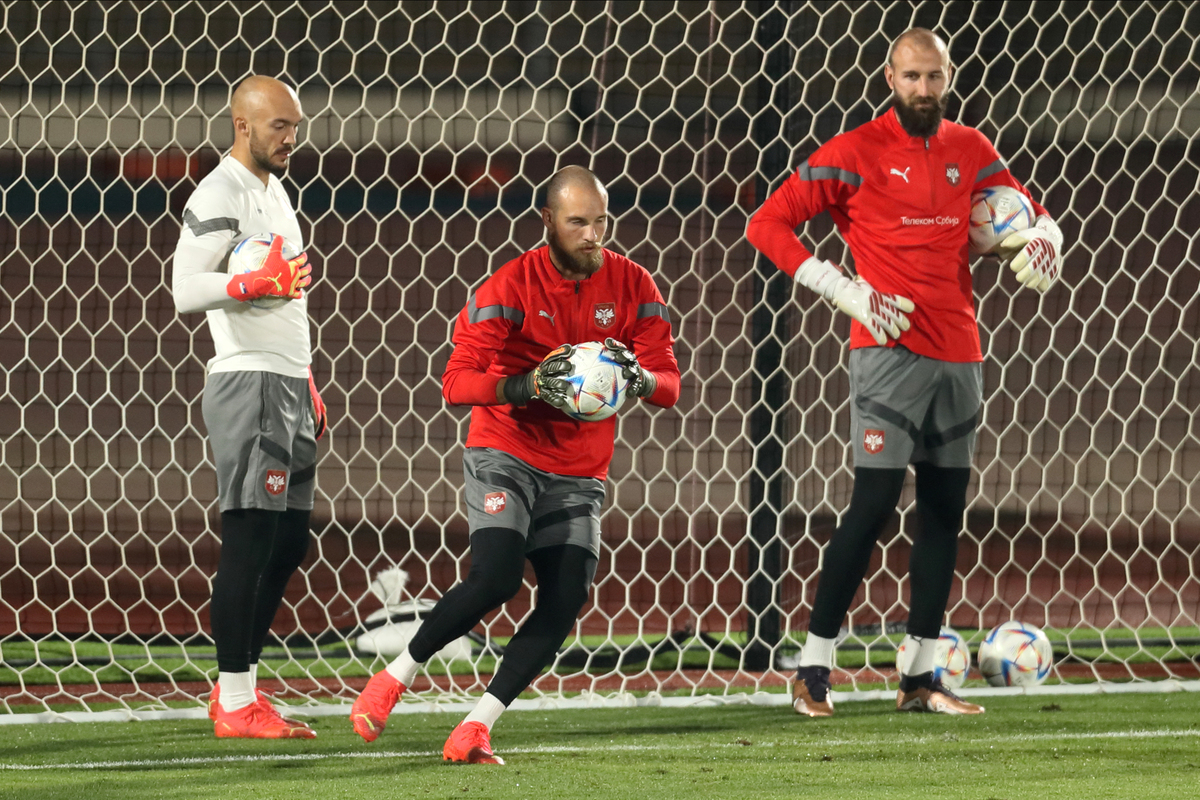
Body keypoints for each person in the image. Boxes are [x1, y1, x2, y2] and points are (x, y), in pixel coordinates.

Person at [746, 29, 1065, 717]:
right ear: (889, 77)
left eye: (935, 77)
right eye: (912, 76)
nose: (924, 88)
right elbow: (766, 224)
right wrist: (843, 289)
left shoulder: (971, 148)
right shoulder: (853, 151)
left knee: (945, 515)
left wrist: (1045, 243)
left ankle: (921, 679)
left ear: (949, 77)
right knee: (872, 507)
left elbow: (1028, 214)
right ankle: (813, 668)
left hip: (961, 352)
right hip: (886, 353)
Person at [350, 166, 681, 763]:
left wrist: (640, 376)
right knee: (497, 578)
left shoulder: (635, 284)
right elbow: (456, 383)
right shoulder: (507, 286)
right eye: (578, 221)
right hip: (506, 449)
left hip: (580, 470)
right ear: (547, 222)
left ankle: (478, 723)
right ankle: (396, 675)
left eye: (601, 221)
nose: (592, 234)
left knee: (565, 595)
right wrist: (527, 383)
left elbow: (669, 384)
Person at [171, 75, 328, 739]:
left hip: (288, 382)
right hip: (249, 384)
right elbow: (185, 289)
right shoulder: (219, 190)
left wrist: (308, 376)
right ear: (243, 124)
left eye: (296, 126)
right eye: (279, 126)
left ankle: (239, 689)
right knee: (249, 539)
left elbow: (286, 298)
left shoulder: (277, 191)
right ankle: (235, 703)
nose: (292, 138)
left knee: (289, 541)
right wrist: (249, 280)